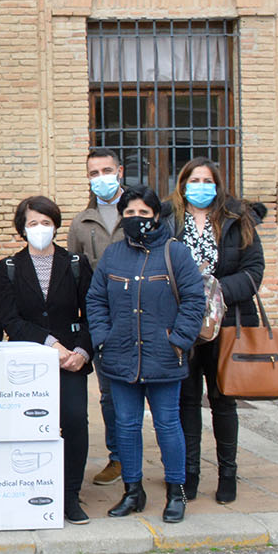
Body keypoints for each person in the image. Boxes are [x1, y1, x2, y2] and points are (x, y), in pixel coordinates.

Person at [86, 185, 204, 524]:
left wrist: (178, 340)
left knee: (168, 425)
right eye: (130, 214)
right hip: (120, 356)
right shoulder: (113, 255)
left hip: (164, 356)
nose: (136, 220)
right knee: (126, 426)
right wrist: (103, 339)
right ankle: (133, 491)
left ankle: (176, 492)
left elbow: (195, 300)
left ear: (156, 216)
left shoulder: (175, 253)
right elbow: (96, 300)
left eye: (143, 213)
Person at [166, 157, 266, 503]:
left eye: (208, 180)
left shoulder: (238, 219)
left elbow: (254, 270)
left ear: (217, 185)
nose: (201, 186)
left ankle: (228, 474)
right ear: (182, 184)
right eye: (194, 180)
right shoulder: (169, 220)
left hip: (229, 322)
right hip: (183, 324)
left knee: (224, 401)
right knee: (186, 401)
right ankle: (189, 474)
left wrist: (215, 292)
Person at [0, 195, 93, 524]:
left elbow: (92, 313)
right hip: (30, 360)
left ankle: (70, 495)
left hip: (72, 361)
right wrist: (51, 344)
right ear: (22, 228)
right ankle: (32, 488)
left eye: (46, 222)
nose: (40, 229)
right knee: (29, 426)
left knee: (75, 422)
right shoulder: (9, 267)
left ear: (56, 225)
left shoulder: (76, 264)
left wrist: (81, 352)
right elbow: (11, 320)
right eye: (33, 223)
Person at [67, 148, 127, 487]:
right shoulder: (81, 222)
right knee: (108, 393)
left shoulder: (139, 211)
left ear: (120, 171)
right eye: (94, 173)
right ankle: (117, 458)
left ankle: (163, 458)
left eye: (106, 170)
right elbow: (74, 273)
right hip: (103, 318)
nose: (101, 177)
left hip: (142, 315)